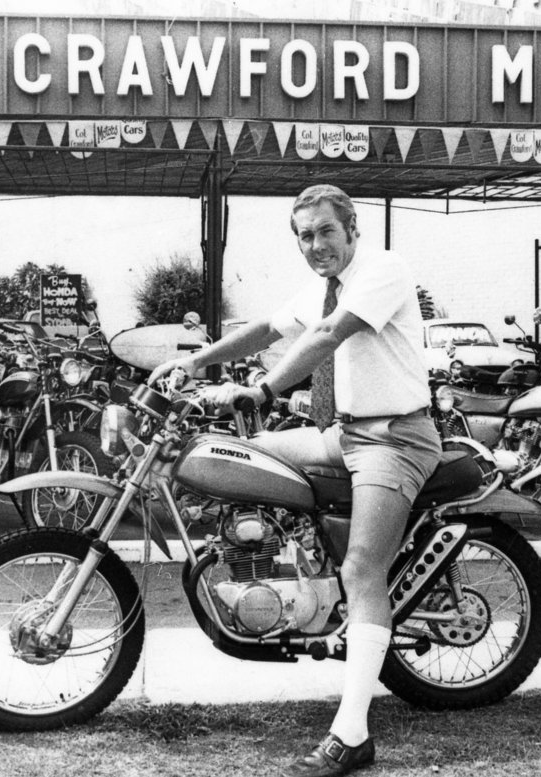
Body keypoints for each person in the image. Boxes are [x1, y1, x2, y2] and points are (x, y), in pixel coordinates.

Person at [149, 184, 441, 777]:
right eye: (304, 236)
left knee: (363, 569)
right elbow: (267, 327)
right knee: (239, 456)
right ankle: (278, 573)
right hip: (342, 433)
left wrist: (261, 390)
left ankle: (353, 734)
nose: (315, 245)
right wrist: (194, 362)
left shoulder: (382, 268)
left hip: (395, 438)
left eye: (325, 231)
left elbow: (329, 335)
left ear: (352, 227)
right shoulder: (323, 284)